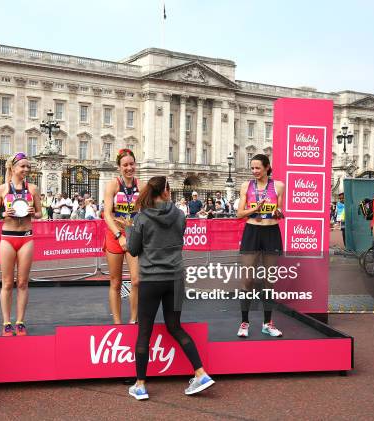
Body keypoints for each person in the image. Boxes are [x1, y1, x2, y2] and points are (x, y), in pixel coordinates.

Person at [125, 176, 214, 400]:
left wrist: (129, 230)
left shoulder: (141, 217)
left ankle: (140, 384)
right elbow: (177, 238)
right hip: (175, 278)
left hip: (151, 280)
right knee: (175, 326)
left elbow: (134, 250)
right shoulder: (180, 214)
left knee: (144, 331)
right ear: (165, 192)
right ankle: (200, 372)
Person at [0, 152, 42, 336]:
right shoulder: (2, 189)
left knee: (22, 283)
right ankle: (6, 322)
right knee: (6, 283)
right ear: (13, 168)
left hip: (26, 238)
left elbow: (40, 214)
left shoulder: (33, 189)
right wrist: (4, 214)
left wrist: (32, 212)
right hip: (7, 237)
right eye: (23, 166)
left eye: (28, 166)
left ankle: (20, 321)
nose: (26, 169)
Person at [236, 154, 285, 338]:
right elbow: (239, 213)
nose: (254, 171)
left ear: (267, 167)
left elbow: (280, 211)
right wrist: (255, 209)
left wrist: (277, 211)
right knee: (247, 279)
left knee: (269, 280)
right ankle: (244, 322)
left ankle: (267, 323)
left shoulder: (278, 185)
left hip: (271, 232)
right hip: (252, 231)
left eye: (258, 168)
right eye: (252, 168)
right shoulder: (246, 186)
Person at [103, 148, 140, 324]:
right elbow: (107, 214)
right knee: (116, 282)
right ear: (119, 167)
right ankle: (117, 323)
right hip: (115, 235)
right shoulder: (113, 185)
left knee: (136, 280)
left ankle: (134, 320)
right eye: (125, 165)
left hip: (134, 235)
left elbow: (148, 212)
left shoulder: (142, 185)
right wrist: (119, 235)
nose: (129, 168)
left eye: (131, 164)